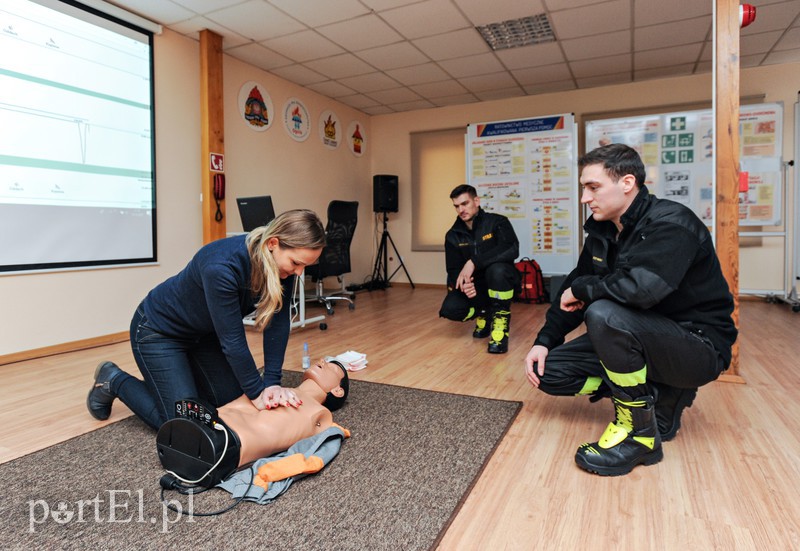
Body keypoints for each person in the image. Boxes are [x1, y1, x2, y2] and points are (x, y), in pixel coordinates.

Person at [524, 143, 737, 476]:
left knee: (604, 314)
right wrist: (544, 340)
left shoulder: (672, 223)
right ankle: (655, 396)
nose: (585, 198)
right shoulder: (602, 231)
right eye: (584, 188)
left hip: (696, 346)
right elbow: (574, 288)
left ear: (626, 183)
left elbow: (641, 290)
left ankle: (639, 435)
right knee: (547, 372)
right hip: (637, 337)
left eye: (593, 187)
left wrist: (583, 289)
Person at [87, 209, 326, 430]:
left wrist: (272, 383)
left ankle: (178, 383)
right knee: (184, 423)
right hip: (159, 332)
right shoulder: (222, 266)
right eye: (296, 263)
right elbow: (233, 341)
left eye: (305, 266)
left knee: (229, 403)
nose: (299, 273)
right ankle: (113, 380)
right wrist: (257, 392)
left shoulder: (282, 266)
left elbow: (278, 322)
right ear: (273, 243)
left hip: (204, 335)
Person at [439, 184, 520, 354]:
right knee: (450, 309)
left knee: (497, 270)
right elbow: (453, 269)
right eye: (456, 206)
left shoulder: (498, 222)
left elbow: (511, 249)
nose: (461, 210)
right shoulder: (452, 235)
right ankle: (484, 311)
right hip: (476, 287)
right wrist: (464, 286)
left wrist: (474, 262)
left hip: (499, 281)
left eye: (465, 203)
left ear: (476, 201)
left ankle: (500, 321)